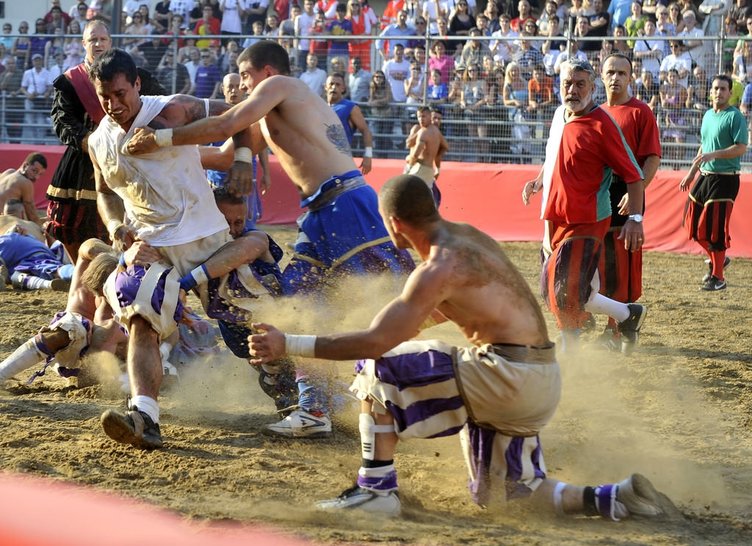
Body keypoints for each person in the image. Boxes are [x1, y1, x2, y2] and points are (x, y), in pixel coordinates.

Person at [247, 174, 672, 520]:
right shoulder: (470, 239)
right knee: (510, 496)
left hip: (506, 375)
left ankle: (375, 490)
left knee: (376, 364)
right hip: (539, 380)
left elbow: (377, 342)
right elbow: (462, 306)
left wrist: (289, 343)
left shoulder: (437, 268)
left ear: (393, 223)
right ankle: (613, 498)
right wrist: (398, 325)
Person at [127, 40, 415, 438]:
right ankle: (316, 407)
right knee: (294, 306)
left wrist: (160, 139)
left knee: (395, 300)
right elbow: (223, 154)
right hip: (320, 213)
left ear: (266, 71)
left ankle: (418, 390)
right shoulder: (270, 113)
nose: (243, 85)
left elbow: (226, 124)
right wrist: (149, 159)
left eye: (246, 76)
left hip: (346, 202)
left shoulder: (282, 86)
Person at [86, 48, 285, 449]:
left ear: (137, 84)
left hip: (206, 240)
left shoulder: (173, 109)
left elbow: (240, 114)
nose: (113, 104)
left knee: (251, 322)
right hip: (150, 247)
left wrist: (242, 159)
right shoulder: (97, 140)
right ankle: (144, 416)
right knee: (140, 318)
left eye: (120, 94)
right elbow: (104, 191)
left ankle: (298, 396)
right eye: (105, 96)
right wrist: (116, 227)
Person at [521, 58, 647, 354]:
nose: (573, 90)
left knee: (564, 287)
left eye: (580, 84)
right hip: (553, 216)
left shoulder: (603, 125)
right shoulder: (559, 115)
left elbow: (634, 174)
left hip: (587, 220)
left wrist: (635, 218)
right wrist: (539, 181)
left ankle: (570, 354)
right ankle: (628, 315)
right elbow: (555, 155)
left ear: (592, 87)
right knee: (566, 288)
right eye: (568, 83)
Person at [46, 20, 165, 264]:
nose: (98, 44)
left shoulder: (135, 76)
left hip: (131, 157)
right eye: (93, 40)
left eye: (102, 39)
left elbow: (161, 107)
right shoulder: (70, 81)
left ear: (110, 42)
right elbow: (63, 121)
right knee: (74, 226)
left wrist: (147, 136)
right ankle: (82, 272)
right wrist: (95, 145)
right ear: (83, 43)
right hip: (83, 163)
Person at [597, 54, 661, 351]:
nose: (616, 78)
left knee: (622, 267)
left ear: (630, 78)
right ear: (601, 76)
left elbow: (652, 158)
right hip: (599, 196)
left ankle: (617, 329)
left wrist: (635, 192)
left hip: (627, 194)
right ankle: (616, 325)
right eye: (611, 72)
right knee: (601, 264)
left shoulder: (641, 112)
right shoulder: (595, 112)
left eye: (622, 73)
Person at [0, 238, 126, 386]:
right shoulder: (88, 283)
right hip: (73, 349)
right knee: (73, 326)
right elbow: (89, 247)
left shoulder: (132, 282)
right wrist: (112, 257)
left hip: (117, 365)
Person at [680, 74, 748, 291]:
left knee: (715, 229)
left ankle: (718, 277)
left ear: (730, 93)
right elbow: (704, 146)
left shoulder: (735, 116)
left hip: (726, 178)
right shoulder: (708, 115)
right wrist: (691, 173)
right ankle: (719, 259)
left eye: (723, 89)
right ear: (710, 92)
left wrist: (715, 154)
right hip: (705, 175)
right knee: (692, 226)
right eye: (715, 88)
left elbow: (741, 147)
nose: (718, 92)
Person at [205, 73, 271, 229]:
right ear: (223, 89)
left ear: (243, 88)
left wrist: (266, 173)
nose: (234, 90)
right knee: (216, 223)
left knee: (245, 223)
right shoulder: (211, 115)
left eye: (237, 86)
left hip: (244, 178)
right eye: (230, 87)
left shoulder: (252, 114)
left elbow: (261, 146)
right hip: (217, 180)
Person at [0, 222, 73, 291]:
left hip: (36, 258)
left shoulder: (4, 242)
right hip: (51, 253)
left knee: (16, 277)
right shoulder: (19, 235)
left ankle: (50, 283)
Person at [325, 72, 374, 173]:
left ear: (343, 88)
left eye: (337, 84)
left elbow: (365, 131)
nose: (333, 87)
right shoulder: (319, 107)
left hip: (341, 161)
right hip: (320, 159)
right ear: (325, 87)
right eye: (331, 84)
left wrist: (368, 155)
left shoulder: (350, 107)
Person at [404, 105, 448, 205]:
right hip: (414, 166)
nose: (437, 121)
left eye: (439, 119)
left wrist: (438, 168)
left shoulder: (435, 133)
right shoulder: (417, 129)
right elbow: (408, 144)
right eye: (435, 118)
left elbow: (442, 149)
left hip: (422, 168)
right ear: (430, 117)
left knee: (428, 195)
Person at [0, 153, 47, 225]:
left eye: (40, 174)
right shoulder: (25, 182)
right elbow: (32, 216)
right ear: (25, 165)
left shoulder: (9, 172)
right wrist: (41, 226)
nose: (36, 177)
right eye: (34, 171)